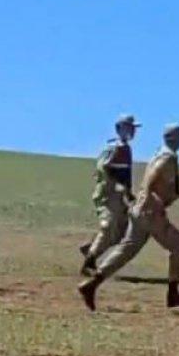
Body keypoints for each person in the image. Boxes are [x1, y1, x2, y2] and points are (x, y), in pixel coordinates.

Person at [79, 123, 179, 310]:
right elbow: (151, 182)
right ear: (175, 138)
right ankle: (173, 294)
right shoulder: (168, 157)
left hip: (140, 211)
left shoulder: (160, 154)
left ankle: (90, 285)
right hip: (150, 212)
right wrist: (155, 202)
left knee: (126, 250)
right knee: (178, 247)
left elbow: (169, 190)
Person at [79, 114, 139, 276]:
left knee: (121, 231)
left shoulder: (118, 147)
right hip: (109, 193)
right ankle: (89, 262)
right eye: (129, 127)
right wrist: (122, 188)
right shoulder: (117, 148)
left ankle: (91, 248)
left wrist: (127, 192)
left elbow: (121, 172)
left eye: (133, 128)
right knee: (109, 227)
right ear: (119, 129)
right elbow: (108, 169)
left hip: (114, 194)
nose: (132, 131)